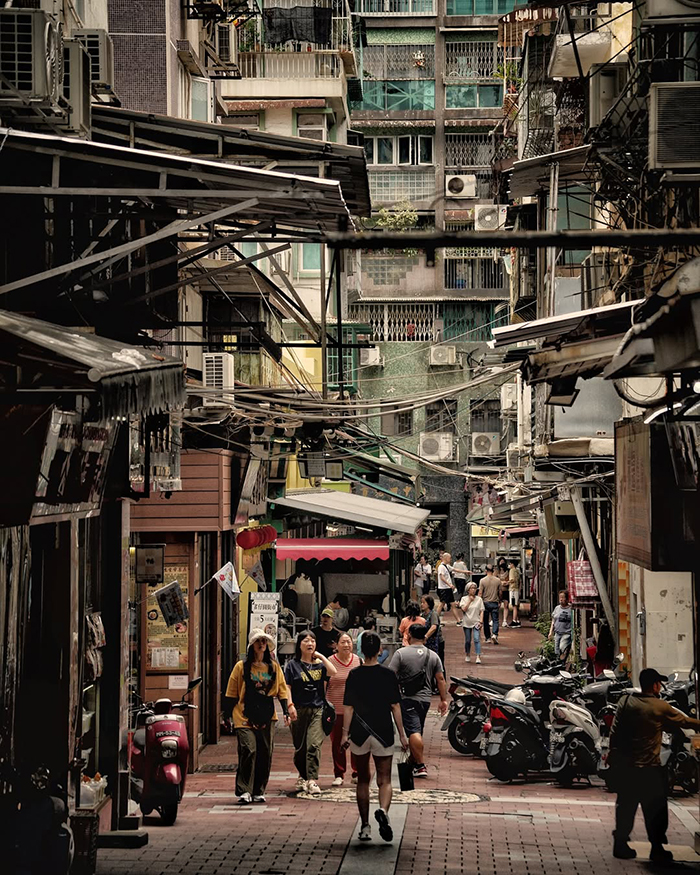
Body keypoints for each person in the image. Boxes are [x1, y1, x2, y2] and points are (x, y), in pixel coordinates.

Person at [609, 667, 700, 862]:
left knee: (625, 807)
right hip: (649, 768)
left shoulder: (625, 702)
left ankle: (620, 844)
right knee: (655, 810)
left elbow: (614, 733)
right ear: (655, 685)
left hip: (627, 767)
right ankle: (657, 848)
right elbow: (685, 722)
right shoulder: (659, 706)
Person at [341, 632, 409, 843]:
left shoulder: (354, 675)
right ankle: (383, 811)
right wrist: (403, 735)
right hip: (383, 731)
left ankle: (365, 827)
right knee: (384, 779)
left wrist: (345, 733)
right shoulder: (388, 675)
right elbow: (395, 706)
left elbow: (348, 707)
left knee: (363, 779)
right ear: (380, 649)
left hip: (360, 733)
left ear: (361, 650)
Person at [225, 629, 296, 804]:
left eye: (264, 641)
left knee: (265, 753)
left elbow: (281, 690)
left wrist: (286, 711)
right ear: (252, 645)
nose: (261, 644)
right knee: (249, 750)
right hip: (243, 715)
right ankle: (244, 790)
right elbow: (232, 693)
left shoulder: (273, 667)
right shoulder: (241, 667)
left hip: (267, 716)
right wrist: (226, 716)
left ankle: (258, 790)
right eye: (258, 641)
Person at [389, 624, 448, 779]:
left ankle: (420, 766)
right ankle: (412, 764)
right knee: (418, 730)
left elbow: (390, 675)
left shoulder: (400, 654)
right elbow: (440, 679)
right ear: (424, 637)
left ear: (408, 635)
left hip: (407, 699)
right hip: (425, 700)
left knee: (414, 732)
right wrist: (443, 700)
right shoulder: (433, 655)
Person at [284, 630, 337, 795]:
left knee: (314, 744)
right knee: (300, 747)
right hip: (299, 710)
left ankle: (312, 780)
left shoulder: (320, 665)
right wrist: (289, 706)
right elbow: (287, 687)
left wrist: (321, 656)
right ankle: (303, 775)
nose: (310, 644)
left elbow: (333, 672)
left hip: (318, 709)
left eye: (312, 641)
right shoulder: (292, 666)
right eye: (306, 641)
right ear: (299, 644)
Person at [326, 633, 362, 786]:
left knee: (356, 742)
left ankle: (357, 772)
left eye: (348, 642)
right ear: (337, 645)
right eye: (343, 642)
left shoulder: (358, 661)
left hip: (355, 710)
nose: (346, 645)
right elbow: (324, 684)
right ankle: (339, 773)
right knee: (337, 743)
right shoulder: (329, 661)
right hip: (336, 709)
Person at [459, 582, 484, 664]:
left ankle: (478, 656)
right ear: (468, 590)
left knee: (477, 639)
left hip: (476, 622)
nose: (473, 590)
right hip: (467, 622)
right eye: (471, 588)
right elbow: (464, 609)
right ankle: (467, 654)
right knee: (468, 640)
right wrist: (469, 601)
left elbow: (481, 611)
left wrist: (481, 621)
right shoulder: (463, 599)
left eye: (474, 588)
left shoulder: (479, 599)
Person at [420, 594, 444, 674]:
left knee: (439, 664)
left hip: (437, 642)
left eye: (424, 603)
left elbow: (434, 627)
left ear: (429, 604)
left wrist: (425, 637)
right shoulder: (423, 615)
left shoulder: (433, 614)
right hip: (428, 643)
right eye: (421, 603)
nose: (422, 605)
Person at [478, 564, 501, 645]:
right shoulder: (498, 580)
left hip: (485, 603)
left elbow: (480, 593)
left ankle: (487, 637)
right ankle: (494, 634)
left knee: (485, 621)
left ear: (486, 571)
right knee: (495, 620)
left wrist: (478, 603)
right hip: (495, 602)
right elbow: (500, 592)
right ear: (493, 571)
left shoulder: (482, 580)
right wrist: (499, 601)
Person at [436, 551, 460, 623]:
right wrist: (450, 584)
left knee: (452, 604)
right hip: (443, 588)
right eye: (449, 558)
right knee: (441, 604)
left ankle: (458, 620)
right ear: (445, 558)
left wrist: (466, 571)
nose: (450, 559)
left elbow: (455, 569)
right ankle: (435, 620)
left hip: (447, 588)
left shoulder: (447, 566)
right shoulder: (441, 567)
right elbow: (442, 577)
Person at [549, 590, 572, 661]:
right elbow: (553, 620)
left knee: (562, 647)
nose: (561, 599)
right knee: (557, 651)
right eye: (560, 597)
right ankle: (559, 664)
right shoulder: (557, 608)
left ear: (567, 599)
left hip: (566, 633)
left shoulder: (571, 609)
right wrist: (550, 632)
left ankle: (564, 656)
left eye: (563, 597)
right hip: (557, 633)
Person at [497, 558, 510, 629]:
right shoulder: (496, 571)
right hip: (498, 590)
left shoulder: (508, 571)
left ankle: (504, 620)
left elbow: (510, 580)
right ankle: (494, 619)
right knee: (497, 605)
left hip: (506, 590)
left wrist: (507, 583)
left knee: (506, 605)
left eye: (503, 562)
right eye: (500, 562)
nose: (502, 564)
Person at [508, 559, 521, 627]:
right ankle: (517, 620)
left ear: (512, 564)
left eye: (510, 564)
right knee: (516, 605)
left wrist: (507, 582)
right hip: (516, 589)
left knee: (514, 605)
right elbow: (519, 581)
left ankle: (514, 620)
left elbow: (512, 580)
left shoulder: (512, 570)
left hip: (513, 589)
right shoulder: (517, 571)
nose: (509, 565)